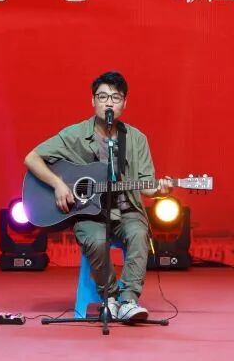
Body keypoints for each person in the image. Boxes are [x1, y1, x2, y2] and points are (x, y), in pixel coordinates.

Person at [24, 71, 171, 323]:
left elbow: (146, 185)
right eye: (102, 97)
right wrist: (58, 184)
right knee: (95, 239)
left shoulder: (136, 139)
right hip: (90, 214)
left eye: (115, 97)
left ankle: (128, 300)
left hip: (126, 210)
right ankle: (110, 297)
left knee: (138, 233)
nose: (109, 103)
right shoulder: (75, 134)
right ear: (93, 101)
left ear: (124, 103)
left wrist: (160, 190)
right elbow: (32, 158)